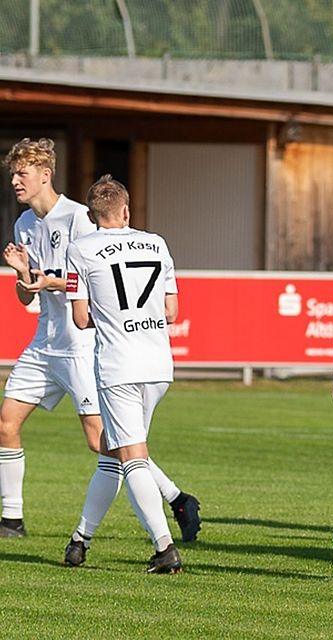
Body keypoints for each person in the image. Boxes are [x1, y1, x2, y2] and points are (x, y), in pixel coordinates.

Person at [0, 139, 199, 550]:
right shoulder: (24, 225)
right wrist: (22, 274)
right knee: (6, 423)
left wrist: (49, 279)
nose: (15, 180)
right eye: (13, 173)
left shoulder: (78, 219)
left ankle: (177, 499)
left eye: (22, 173)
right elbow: (28, 296)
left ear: (44, 174)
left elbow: (96, 277)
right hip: (45, 342)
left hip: (82, 346)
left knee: (103, 443)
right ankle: (12, 517)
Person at [64, 175, 184, 573]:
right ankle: (79, 540)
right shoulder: (157, 242)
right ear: (127, 210)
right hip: (159, 365)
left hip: (119, 366)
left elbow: (81, 318)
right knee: (114, 458)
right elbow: (171, 312)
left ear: (92, 214)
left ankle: (165, 547)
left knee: (132, 457)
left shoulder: (80, 249)